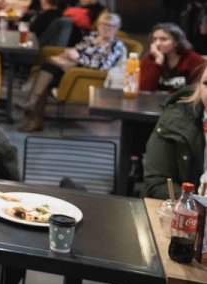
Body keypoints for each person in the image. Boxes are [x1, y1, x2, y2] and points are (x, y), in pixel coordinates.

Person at [19, 12, 127, 133]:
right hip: (70, 71)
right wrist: (70, 55)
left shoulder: (116, 45)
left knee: (48, 69)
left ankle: (32, 105)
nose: (106, 28)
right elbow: (76, 49)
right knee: (48, 72)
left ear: (117, 28)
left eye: (111, 26)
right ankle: (35, 115)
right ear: (98, 25)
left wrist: (77, 59)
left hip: (84, 76)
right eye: (103, 24)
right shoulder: (92, 37)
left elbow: (103, 66)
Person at [142, 63, 207, 199]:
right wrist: (194, 203)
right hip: (187, 213)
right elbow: (156, 184)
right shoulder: (175, 120)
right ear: (199, 86)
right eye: (206, 83)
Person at [141, 23, 203, 92]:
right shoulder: (149, 59)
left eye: (163, 39)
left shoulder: (193, 60)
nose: (157, 43)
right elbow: (144, 90)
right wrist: (158, 62)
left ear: (176, 42)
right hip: (154, 101)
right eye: (154, 39)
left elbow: (198, 90)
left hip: (183, 101)